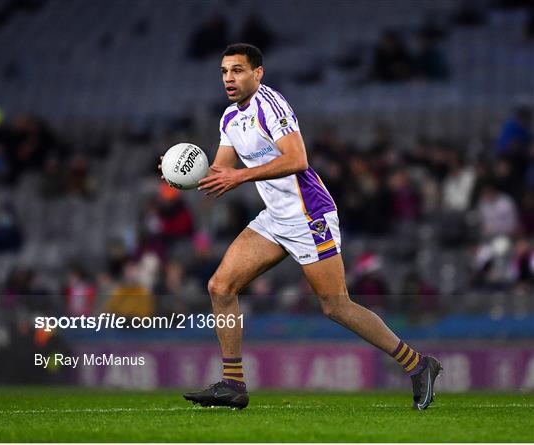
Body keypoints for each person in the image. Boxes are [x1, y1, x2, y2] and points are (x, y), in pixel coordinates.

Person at [161, 44, 441, 410]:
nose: (229, 78)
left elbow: (297, 159)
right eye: (224, 72)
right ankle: (233, 383)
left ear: (257, 73)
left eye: (238, 70)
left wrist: (241, 176)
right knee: (220, 286)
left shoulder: (270, 105)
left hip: (309, 214)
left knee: (335, 306)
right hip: (275, 217)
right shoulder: (229, 117)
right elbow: (219, 174)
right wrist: (179, 172)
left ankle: (419, 365)